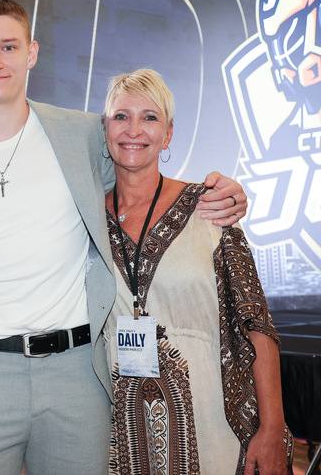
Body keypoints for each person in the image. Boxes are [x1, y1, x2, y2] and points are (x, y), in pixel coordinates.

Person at [0, 0, 247, 475]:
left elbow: (140, 171)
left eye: (8, 47)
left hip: (77, 371)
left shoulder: (83, 135)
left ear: (31, 53)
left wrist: (222, 192)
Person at [101, 68, 292, 475]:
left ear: (168, 134)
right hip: (117, 431)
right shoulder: (87, 217)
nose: (133, 130)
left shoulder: (210, 208)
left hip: (212, 424)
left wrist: (273, 427)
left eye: (149, 117)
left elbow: (256, 323)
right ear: (105, 128)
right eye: (121, 116)